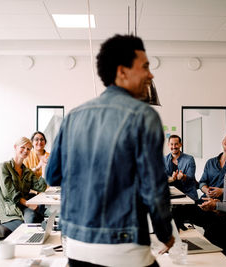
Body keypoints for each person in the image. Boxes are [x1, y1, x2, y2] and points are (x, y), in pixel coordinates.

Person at [46, 34, 174, 267]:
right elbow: (154, 189)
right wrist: (166, 233)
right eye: (145, 67)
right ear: (122, 71)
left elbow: (52, 175)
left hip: (75, 242)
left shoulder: (73, 116)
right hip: (123, 244)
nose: (150, 74)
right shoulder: (144, 115)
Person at [0, 137, 47, 232]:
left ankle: (36, 243)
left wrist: (43, 167)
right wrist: (28, 204)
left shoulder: (27, 171)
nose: (25, 151)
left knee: (37, 222)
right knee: (29, 227)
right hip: (9, 212)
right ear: (15, 147)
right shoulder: (4, 167)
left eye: (28, 149)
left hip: (23, 208)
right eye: (23, 147)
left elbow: (41, 187)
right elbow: (10, 194)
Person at [198, 133, 226, 202]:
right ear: (223, 141)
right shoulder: (210, 162)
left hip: (224, 202)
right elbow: (202, 182)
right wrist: (206, 190)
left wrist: (223, 191)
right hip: (206, 199)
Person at [164, 135, 198, 201]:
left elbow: (190, 177)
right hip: (171, 194)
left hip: (188, 193)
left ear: (180, 144)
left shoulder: (189, 159)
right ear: (168, 145)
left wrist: (183, 177)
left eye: (176, 144)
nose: (174, 147)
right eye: (171, 144)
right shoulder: (164, 160)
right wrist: (172, 178)